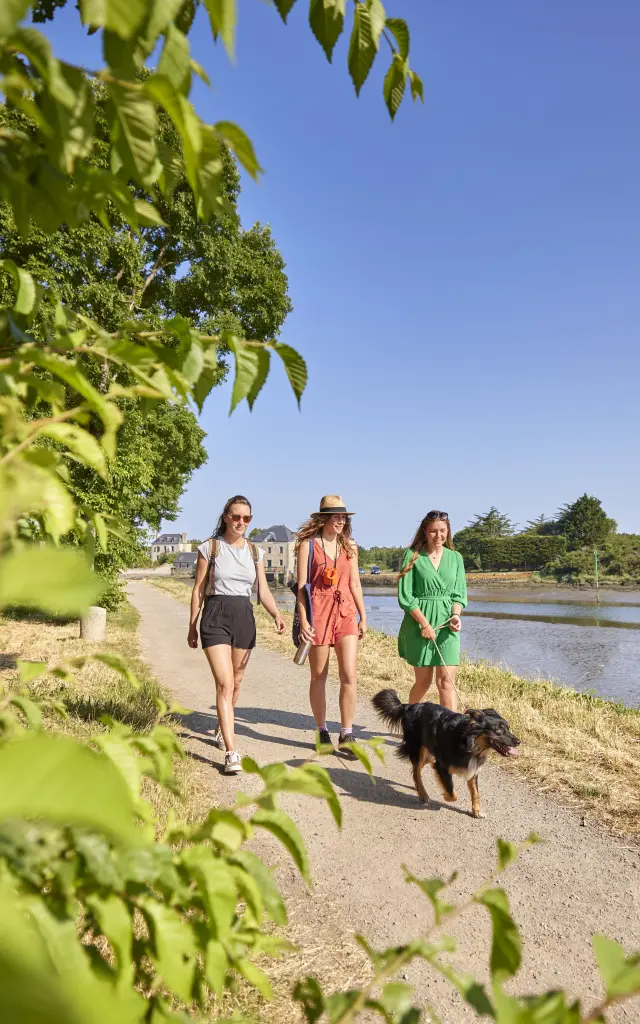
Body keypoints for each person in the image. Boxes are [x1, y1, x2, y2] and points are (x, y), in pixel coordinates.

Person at [188, 494, 285, 774]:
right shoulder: (210, 548)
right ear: (226, 517)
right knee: (225, 684)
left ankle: (222, 726)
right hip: (216, 614)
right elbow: (198, 589)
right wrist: (192, 625)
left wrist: (276, 614)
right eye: (236, 517)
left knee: (238, 681)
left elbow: (262, 591)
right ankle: (231, 752)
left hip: (244, 616)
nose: (241, 522)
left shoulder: (255, 552)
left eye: (246, 518)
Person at [296, 495, 367, 755]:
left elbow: (355, 583)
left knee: (349, 674)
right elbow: (302, 588)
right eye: (336, 516)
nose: (341, 520)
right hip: (319, 612)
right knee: (319, 675)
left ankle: (347, 733)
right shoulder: (308, 545)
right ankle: (321, 729)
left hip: (345, 610)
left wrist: (363, 615)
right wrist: (304, 619)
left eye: (343, 517)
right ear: (324, 518)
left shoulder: (350, 546)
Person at [397, 510, 467, 711]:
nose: (439, 536)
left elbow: (459, 595)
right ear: (425, 532)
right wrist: (425, 624)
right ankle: (410, 724)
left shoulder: (456, 558)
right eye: (434, 531)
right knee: (424, 681)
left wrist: (455, 615)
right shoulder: (412, 556)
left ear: (448, 531)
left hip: (447, 626)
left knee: (446, 682)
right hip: (419, 624)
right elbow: (405, 596)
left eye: (443, 530)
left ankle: (451, 734)